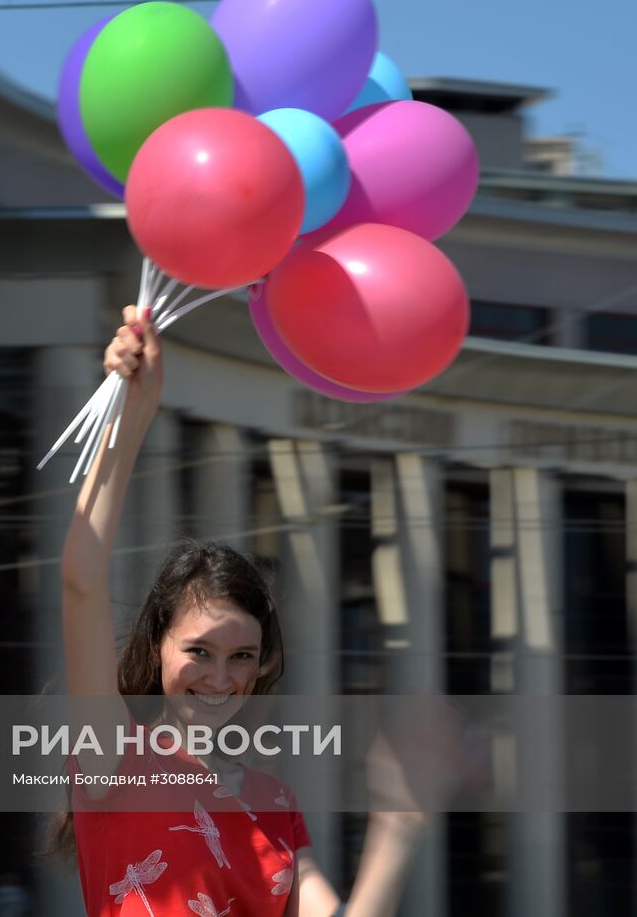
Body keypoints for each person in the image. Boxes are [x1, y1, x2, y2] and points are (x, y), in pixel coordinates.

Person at [57, 307, 439, 916]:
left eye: (241, 657)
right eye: (198, 651)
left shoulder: (273, 800)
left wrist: (399, 824)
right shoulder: (114, 756)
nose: (218, 678)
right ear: (158, 645)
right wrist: (131, 421)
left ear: (262, 666)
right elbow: (81, 580)